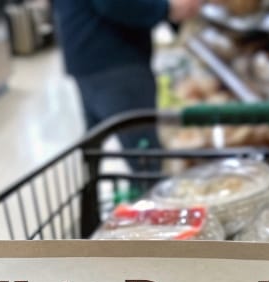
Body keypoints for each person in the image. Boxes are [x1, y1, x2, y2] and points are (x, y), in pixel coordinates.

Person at [51, 0, 202, 169]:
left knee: (96, 148)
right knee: (145, 156)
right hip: (113, 60)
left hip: (89, 55)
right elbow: (113, 4)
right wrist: (166, 9)